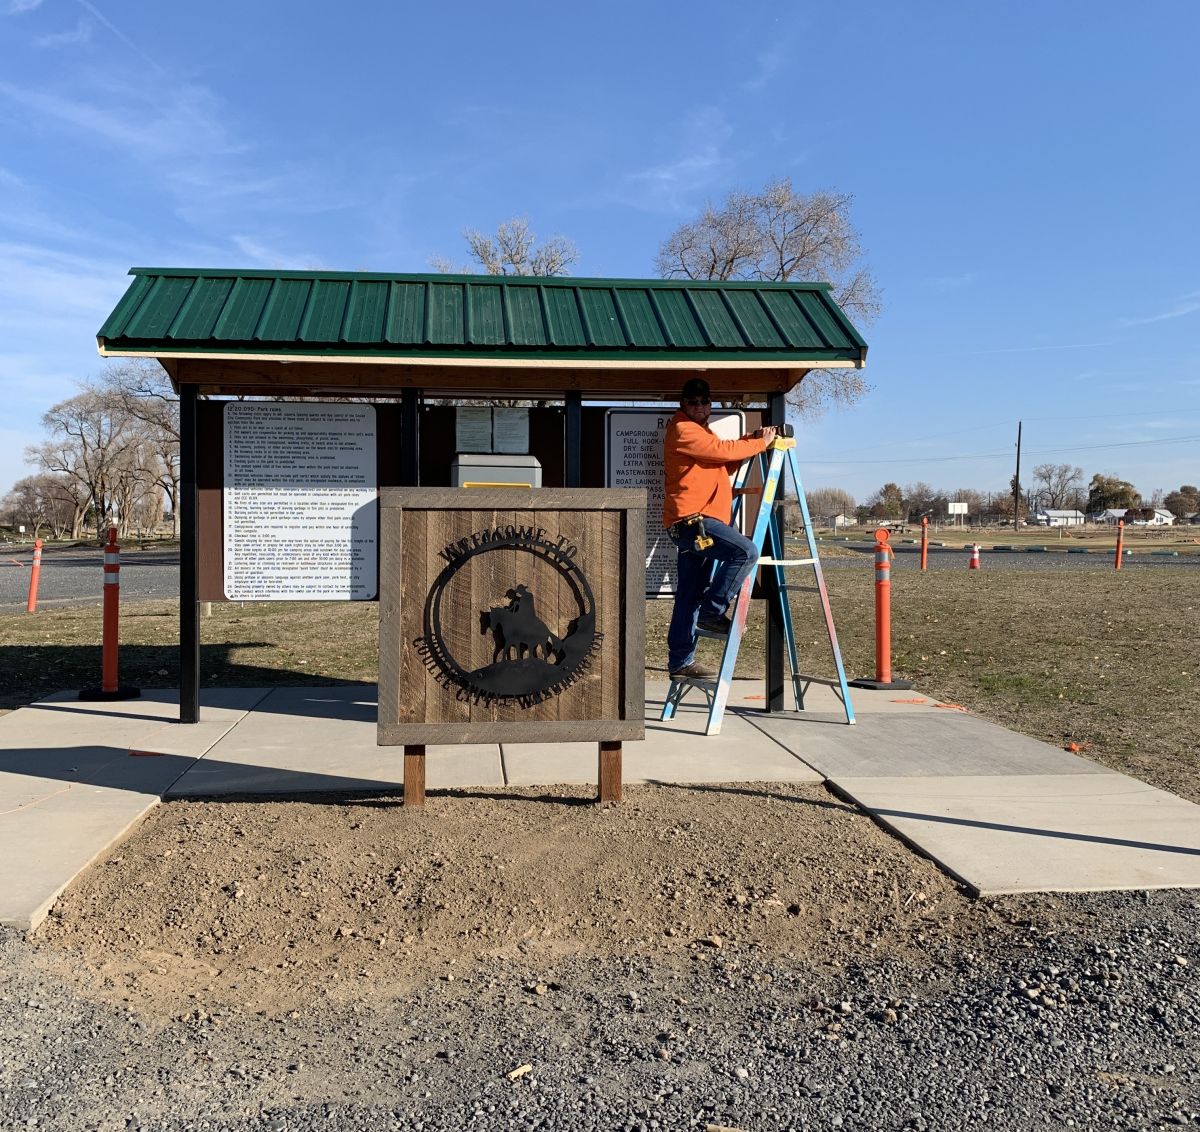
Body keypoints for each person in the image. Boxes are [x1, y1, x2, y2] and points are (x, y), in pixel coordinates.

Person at [663, 377, 777, 681]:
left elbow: (724, 463)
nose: (699, 407)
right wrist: (759, 443)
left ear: (709, 404)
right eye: (693, 402)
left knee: (688, 596)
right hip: (694, 522)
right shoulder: (683, 429)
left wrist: (750, 444)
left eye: (704, 402)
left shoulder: (701, 432)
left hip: (693, 524)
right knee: (746, 552)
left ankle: (680, 663)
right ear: (682, 404)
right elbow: (721, 452)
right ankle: (714, 610)